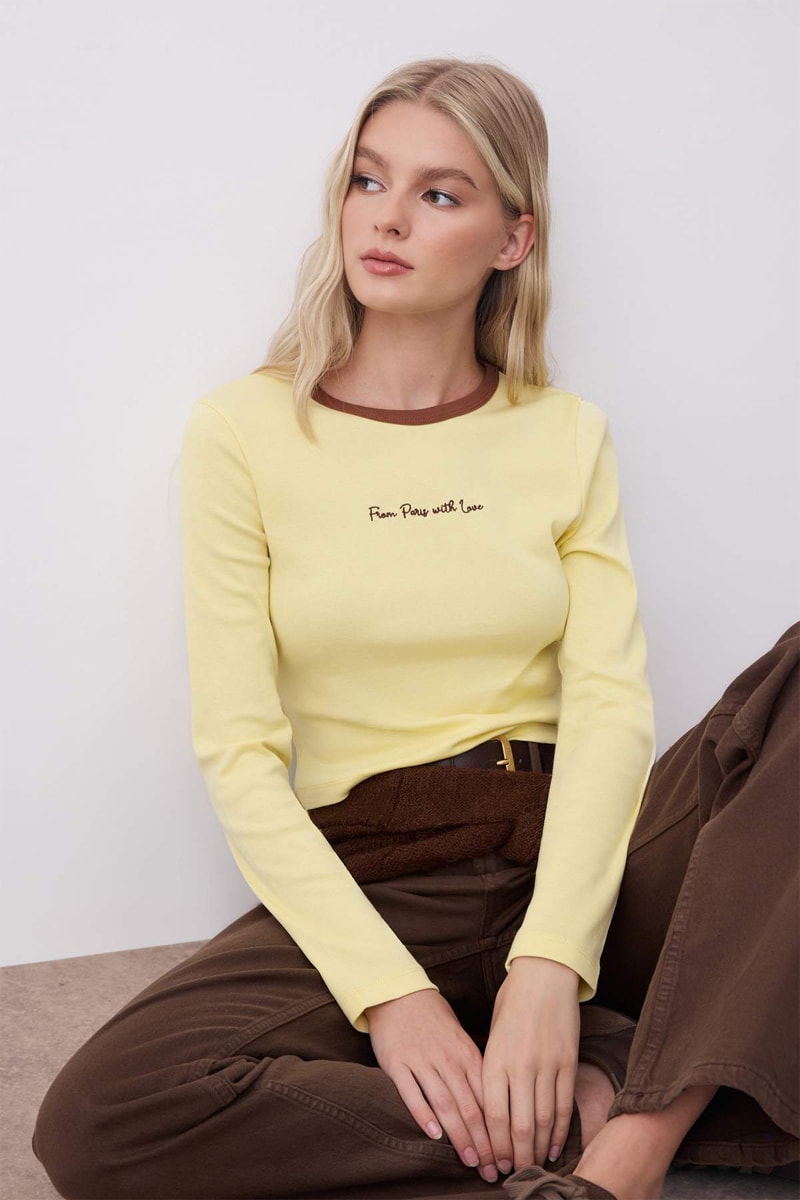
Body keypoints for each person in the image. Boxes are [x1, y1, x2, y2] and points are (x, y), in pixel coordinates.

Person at [30, 57, 798, 1200]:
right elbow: (239, 755)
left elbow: (606, 709)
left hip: (574, 856)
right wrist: (389, 997)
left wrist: (550, 962)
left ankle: (629, 1147)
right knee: (101, 1115)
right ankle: (582, 1102)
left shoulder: (563, 433)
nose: (384, 218)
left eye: (438, 194)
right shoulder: (243, 432)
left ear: (511, 239)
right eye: (368, 180)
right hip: (383, 870)